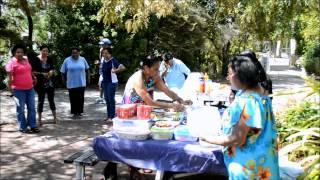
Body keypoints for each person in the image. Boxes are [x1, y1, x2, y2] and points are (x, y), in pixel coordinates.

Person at [200, 53, 280, 179]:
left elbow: (237, 139)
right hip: (264, 162)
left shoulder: (249, 102)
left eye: (229, 73)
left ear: (240, 76)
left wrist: (207, 138)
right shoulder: (260, 93)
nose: (228, 77)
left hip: (249, 168)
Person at [123, 54, 188, 111]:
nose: (158, 72)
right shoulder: (138, 78)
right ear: (146, 68)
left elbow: (167, 90)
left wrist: (180, 100)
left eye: (158, 69)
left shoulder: (155, 76)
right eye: (156, 69)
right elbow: (150, 102)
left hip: (145, 109)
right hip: (130, 110)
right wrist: (171, 105)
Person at [5, 44, 40, 133]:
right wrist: (10, 89)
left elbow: (29, 70)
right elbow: (9, 78)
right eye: (17, 52)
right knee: (20, 109)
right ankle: (22, 127)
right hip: (18, 89)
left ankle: (32, 125)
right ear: (14, 53)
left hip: (30, 88)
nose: (20, 54)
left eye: (21, 52)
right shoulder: (11, 63)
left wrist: (34, 77)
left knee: (32, 107)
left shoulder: (26, 60)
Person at [60, 47, 90, 118]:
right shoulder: (67, 60)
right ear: (71, 53)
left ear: (79, 53)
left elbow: (87, 69)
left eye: (76, 52)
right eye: (73, 53)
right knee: (73, 98)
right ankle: (74, 113)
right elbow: (62, 72)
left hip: (81, 82)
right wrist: (63, 81)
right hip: (71, 83)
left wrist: (89, 78)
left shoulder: (82, 59)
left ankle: (79, 112)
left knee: (80, 98)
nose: (74, 54)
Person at [31, 45, 56, 126]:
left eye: (47, 51)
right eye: (43, 51)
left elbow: (52, 68)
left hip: (50, 83)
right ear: (40, 51)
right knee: (40, 101)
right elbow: (32, 71)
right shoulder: (35, 59)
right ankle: (39, 120)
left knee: (51, 100)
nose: (45, 52)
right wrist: (42, 74)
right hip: (40, 83)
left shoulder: (50, 59)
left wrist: (51, 72)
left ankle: (55, 118)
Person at [100, 47, 126, 122]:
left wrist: (116, 70)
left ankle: (112, 117)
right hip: (105, 82)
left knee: (111, 99)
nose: (104, 54)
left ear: (110, 54)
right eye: (103, 53)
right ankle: (109, 116)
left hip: (112, 83)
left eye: (106, 53)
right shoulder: (104, 60)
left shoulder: (113, 61)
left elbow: (123, 67)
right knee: (107, 99)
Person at [96, 38, 112, 104]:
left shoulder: (109, 52)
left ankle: (106, 98)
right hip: (102, 70)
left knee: (105, 84)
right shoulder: (101, 50)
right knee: (101, 84)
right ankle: (101, 97)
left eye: (103, 45)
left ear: (106, 45)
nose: (101, 46)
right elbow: (101, 60)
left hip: (107, 71)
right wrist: (99, 63)